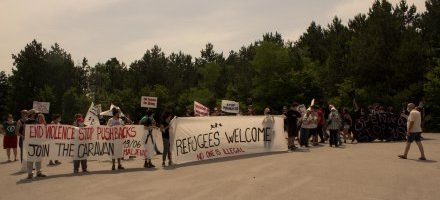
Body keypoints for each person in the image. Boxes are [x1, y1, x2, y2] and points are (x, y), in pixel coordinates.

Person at [26, 109, 46, 179]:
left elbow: (42, 129)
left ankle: (38, 172)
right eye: (35, 114)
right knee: (30, 158)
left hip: (37, 142)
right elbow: (25, 132)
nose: (37, 115)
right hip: (30, 142)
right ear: (33, 114)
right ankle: (29, 173)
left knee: (38, 157)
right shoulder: (27, 122)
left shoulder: (37, 121)